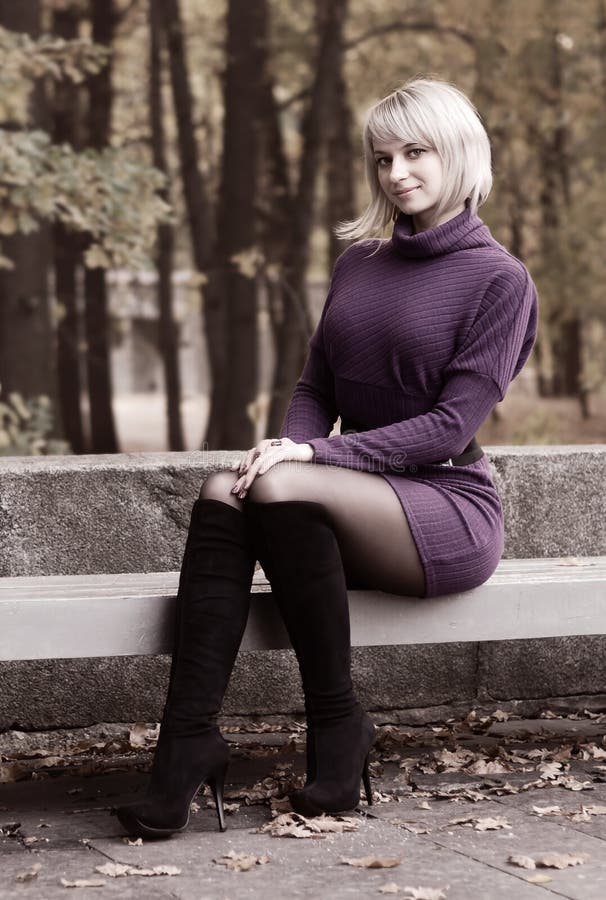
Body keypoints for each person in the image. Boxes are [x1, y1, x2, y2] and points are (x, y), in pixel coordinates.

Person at [114, 75, 538, 837]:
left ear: (460, 154)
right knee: (224, 490)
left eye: (416, 152)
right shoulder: (358, 265)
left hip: (443, 506)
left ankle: (335, 723)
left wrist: (311, 454)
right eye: (383, 158)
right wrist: (287, 446)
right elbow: (315, 385)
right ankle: (187, 745)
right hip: (347, 499)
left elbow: (447, 428)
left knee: (273, 490)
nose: (397, 172)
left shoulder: (499, 281)